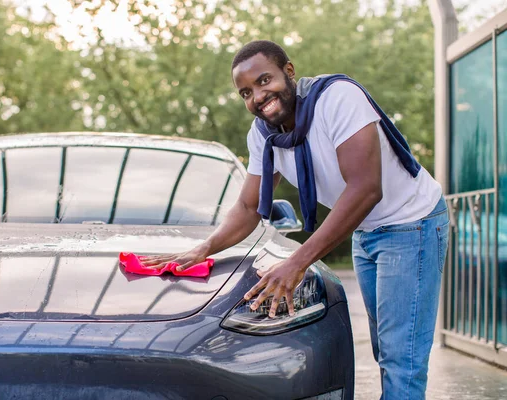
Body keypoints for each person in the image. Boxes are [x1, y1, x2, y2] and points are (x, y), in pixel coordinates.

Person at [143, 40, 449, 399]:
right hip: (366, 230)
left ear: (289, 71)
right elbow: (247, 208)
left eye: (264, 80)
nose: (257, 96)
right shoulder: (262, 135)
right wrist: (203, 248)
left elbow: (366, 188)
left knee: (403, 357)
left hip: (411, 223)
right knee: (386, 349)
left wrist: (298, 261)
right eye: (245, 92)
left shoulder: (337, 98)